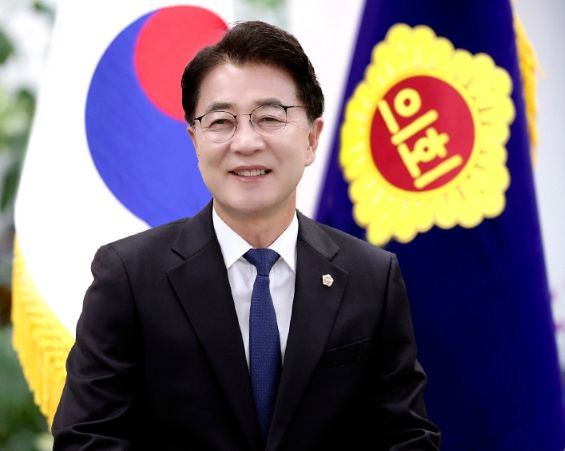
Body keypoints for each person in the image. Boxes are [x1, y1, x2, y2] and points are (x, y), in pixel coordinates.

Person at [52, 20, 440, 450]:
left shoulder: (372, 278)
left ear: (312, 139)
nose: (246, 142)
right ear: (195, 140)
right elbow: (86, 439)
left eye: (269, 117)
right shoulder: (129, 277)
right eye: (221, 121)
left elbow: (406, 438)